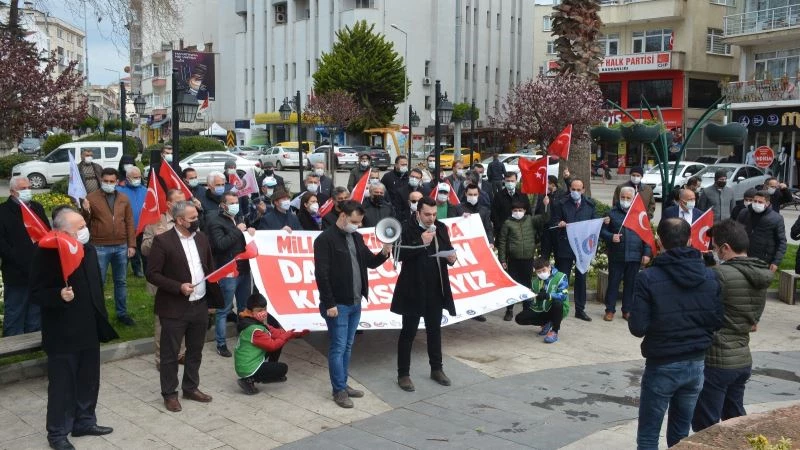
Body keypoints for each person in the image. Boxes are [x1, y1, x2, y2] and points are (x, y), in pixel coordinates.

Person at [628, 218, 724, 450]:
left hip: (663, 364)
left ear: (659, 243)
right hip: (695, 363)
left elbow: (638, 327)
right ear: (690, 240)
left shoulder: (648, 278)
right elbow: (718, 320)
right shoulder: (711, 276)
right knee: (681, 435)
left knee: (649, 436)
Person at [29, 207, 118, 450]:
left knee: (89, 379)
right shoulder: (46, 253)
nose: (85, 230)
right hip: (62, 332)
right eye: (79, 227)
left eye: (84, 225)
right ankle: (57, 433)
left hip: (89, 326)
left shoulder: (87, 249)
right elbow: (35, 293)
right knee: (63, 385)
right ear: (62, 230)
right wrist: (58, 295)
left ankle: (84, 420)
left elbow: (95, 286)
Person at [691, 220, 771, 432]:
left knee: (706, 426)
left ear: (725, 248)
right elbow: (752, 322)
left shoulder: (720, 275)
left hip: (717, 360)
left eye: (715, 247)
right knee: (735, 422)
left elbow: (702, 311)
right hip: (742, 358)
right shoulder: (760, 274)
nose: (714, 251)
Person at [146, 201, 223, 413]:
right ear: (180, 220)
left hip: (200, 304)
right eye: (192, 218)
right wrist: (178, 287)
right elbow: (152, 274)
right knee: (170, 354)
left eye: (196, 216)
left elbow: (208, 266)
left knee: (195, 350)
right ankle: (169, 393)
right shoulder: (163, 241)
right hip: (174, 307)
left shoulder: (201, 238)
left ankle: (190, 387)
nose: (196, 220)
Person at [313, 200, 391, 408]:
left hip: (356, 301)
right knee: (338, 347)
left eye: (359, 222)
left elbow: (369, 262)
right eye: (354, 221)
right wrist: (329, 303)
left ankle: (343, 384)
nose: (357, 225)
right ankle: (338, 390)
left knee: (347, 345)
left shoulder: (356, 237)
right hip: (337, 304)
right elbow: (321, 274)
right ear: (342, 216)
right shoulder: (325, 240)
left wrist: (384, 253)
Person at [391, 196, 458, 393]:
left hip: (436, 287)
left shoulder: (441, 227)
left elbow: (447, 250)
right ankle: (403, 374)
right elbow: (397, 255)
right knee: (408, 333)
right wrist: (420, 241)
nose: (431, 218)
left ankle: (436, 369)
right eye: (427, 214)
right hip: (413, 288)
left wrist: (452, 258)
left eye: (434, 214)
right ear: (418, 212)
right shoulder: (406, 227)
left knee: (434, 330)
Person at [80, 168, 137, 326]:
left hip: (121, 246)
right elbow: (84, 222)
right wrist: (84, 209)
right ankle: (98, 314)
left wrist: (131, 244)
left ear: (118, 182)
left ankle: (122, 313)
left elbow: (130, 221)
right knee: (99, 281)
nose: (108, 184)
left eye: (112, 181)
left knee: (121, 281)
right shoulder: (91, 197)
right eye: (106, 181)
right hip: (99, 247)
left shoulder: (123, 198)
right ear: (101, 180)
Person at [141, 189, 187, 371]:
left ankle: (180, 353)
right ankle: (162, 358)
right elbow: (144, 249)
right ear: (168, 204)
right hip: (162, 280)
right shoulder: (154, 222)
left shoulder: (186, 220)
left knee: (184, 318)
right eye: (178, 201)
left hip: (183, 279)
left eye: (185, 201)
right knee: (163, 322)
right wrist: (157, 239)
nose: (183, 205)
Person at [207, 191, 256, 357]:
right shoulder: (215, 221)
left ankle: (244, 337)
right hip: (228, 271)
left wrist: (249, 232)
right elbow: (220, 244)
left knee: (243, 307)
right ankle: (221, 344)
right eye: (232, 202)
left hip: (244, 270)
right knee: (224, 309)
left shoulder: (239, 218)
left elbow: (242, 240)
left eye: (237, 201)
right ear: (223, 205)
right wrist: (237, 230)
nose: (235, 205)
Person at [0, 176, 48, 336]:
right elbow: (2, 244)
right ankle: (12, 343)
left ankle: (33, 339)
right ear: (13, 191)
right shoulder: (3, 211)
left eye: (29, 187)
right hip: (16, 271)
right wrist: (18, 259)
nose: (27, 191)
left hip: (39, 268)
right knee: (15, 309)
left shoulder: (36, 207)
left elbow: (46, 232)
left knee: (35, 308)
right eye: (23, 189)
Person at [234, 293, 309, 395]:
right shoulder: (255, 329)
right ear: (251, 311)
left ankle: (269, 371)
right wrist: (287, 336)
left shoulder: (253, 322)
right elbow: (272, 345)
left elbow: (278, 333)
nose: (263, 312)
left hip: (247, 362)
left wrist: (297, 332)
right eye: (259, 310)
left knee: (279, 341)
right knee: (283, 368)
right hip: (248, 368)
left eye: (264, 309)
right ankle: (248, 380)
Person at [600, 186, 652, 322]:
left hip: (635, 256)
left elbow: (647, 235)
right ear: (619, 197)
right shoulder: (611, 213)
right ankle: (610, 310)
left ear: (633, 198)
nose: (625, 200)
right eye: (623, 197)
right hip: (617, 255)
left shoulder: (640, 214)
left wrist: (647, 253)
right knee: (613, 283)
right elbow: (602, 231)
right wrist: (611, 236)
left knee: (631, 284)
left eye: (628, 198)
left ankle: (627, 310)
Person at [498, 197, 550, 321]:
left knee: (527, 284)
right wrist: (503, 260)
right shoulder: (508, 223)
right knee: (512, 285)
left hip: (528, 259)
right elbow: (502, 241)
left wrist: (546, 206)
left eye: (520, 210)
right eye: (515, 210)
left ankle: (527, 308)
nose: (518, 212)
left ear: (525, 210)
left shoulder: (530, 220)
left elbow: (545, 218)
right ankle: (509, 310)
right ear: (512, 211)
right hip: (513, 260)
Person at [552, 178, 596, 322]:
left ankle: (580, 309)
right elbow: (553, 222)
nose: (575, 192)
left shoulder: (589, 205)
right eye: (573, 189)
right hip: (565, 246)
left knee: (581, 279)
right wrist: (559, 223)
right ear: (569, 189)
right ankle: (559, 307)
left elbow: (594, 225)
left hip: (582, 249)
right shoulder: (561, 203)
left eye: (578, 190)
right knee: (563, 278)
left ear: (583, 190)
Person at [515, 257, 569, 344]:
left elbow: (563, 295)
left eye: (544, 270)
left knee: (557, 303)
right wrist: (528, 296)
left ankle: (554, 331)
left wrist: (548, 296)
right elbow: (533, 301)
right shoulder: (535, 282)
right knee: (519, 318)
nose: (541, 273)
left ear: (549, 267)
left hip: (557, 309)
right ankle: (546, 323)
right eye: (539, 272)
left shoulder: (561, 276)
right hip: (541, 309)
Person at [735, 190, 786, 272]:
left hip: (763, 260)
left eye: (760, 202)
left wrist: (776, 262)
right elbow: (735, 233)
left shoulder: (776, 218)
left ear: (767, 203)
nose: (757, 203)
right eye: (755, 201)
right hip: (743, 257)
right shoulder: (744, 213)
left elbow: (781, 242)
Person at [116, 166, 148, 278]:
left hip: (143, 226)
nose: (138, 179)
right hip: (127, 227)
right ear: (127, 178)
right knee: (130, 250)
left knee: (143, 249)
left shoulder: (145, 190)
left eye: (139, 177)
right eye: (135, 177)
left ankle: (145, 270)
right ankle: (129, 270)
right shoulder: (119, 191)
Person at [490, 172, 530, 238]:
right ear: (504, 181)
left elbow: (528, 211)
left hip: (520, 230)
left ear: (516, 181)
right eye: (508, 181)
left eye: (512, 181)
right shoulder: (498, 195)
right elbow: (494, 214)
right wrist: (500, 227)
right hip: (504, 231)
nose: (510, 183)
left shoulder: (522, 194)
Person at [538, 175, 567, 261]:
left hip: (557, 228)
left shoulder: (561, 194)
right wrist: (544, 204)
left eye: (547, 183)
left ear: (553, 184)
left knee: (558, 255)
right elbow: (538, 211)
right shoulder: (543, 195)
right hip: (546, 229)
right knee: (544, 254)